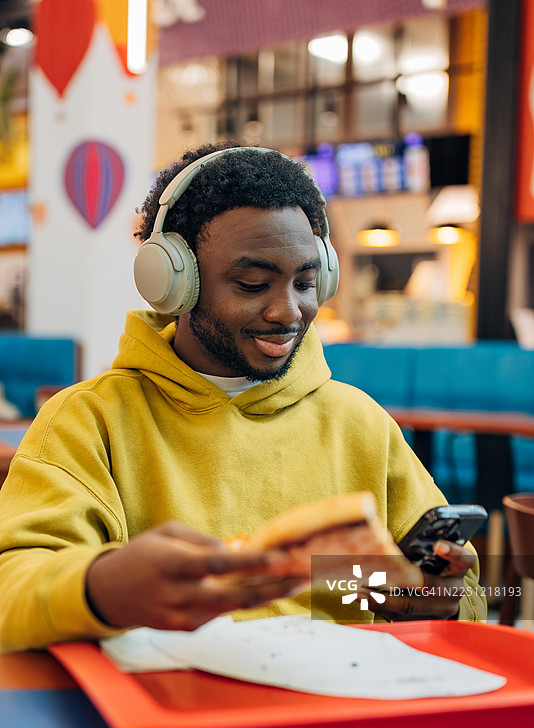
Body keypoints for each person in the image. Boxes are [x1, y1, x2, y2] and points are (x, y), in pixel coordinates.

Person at [0, 143, 486, 653]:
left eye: (304, 283)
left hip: (339, 711)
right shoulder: (89, 422)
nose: (288, 312)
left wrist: (442, 600)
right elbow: (13, 585)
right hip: (168, 711)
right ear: (173, 282)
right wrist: (101, 586)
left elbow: (470, 595)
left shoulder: (359, 423)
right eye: (253, 284)